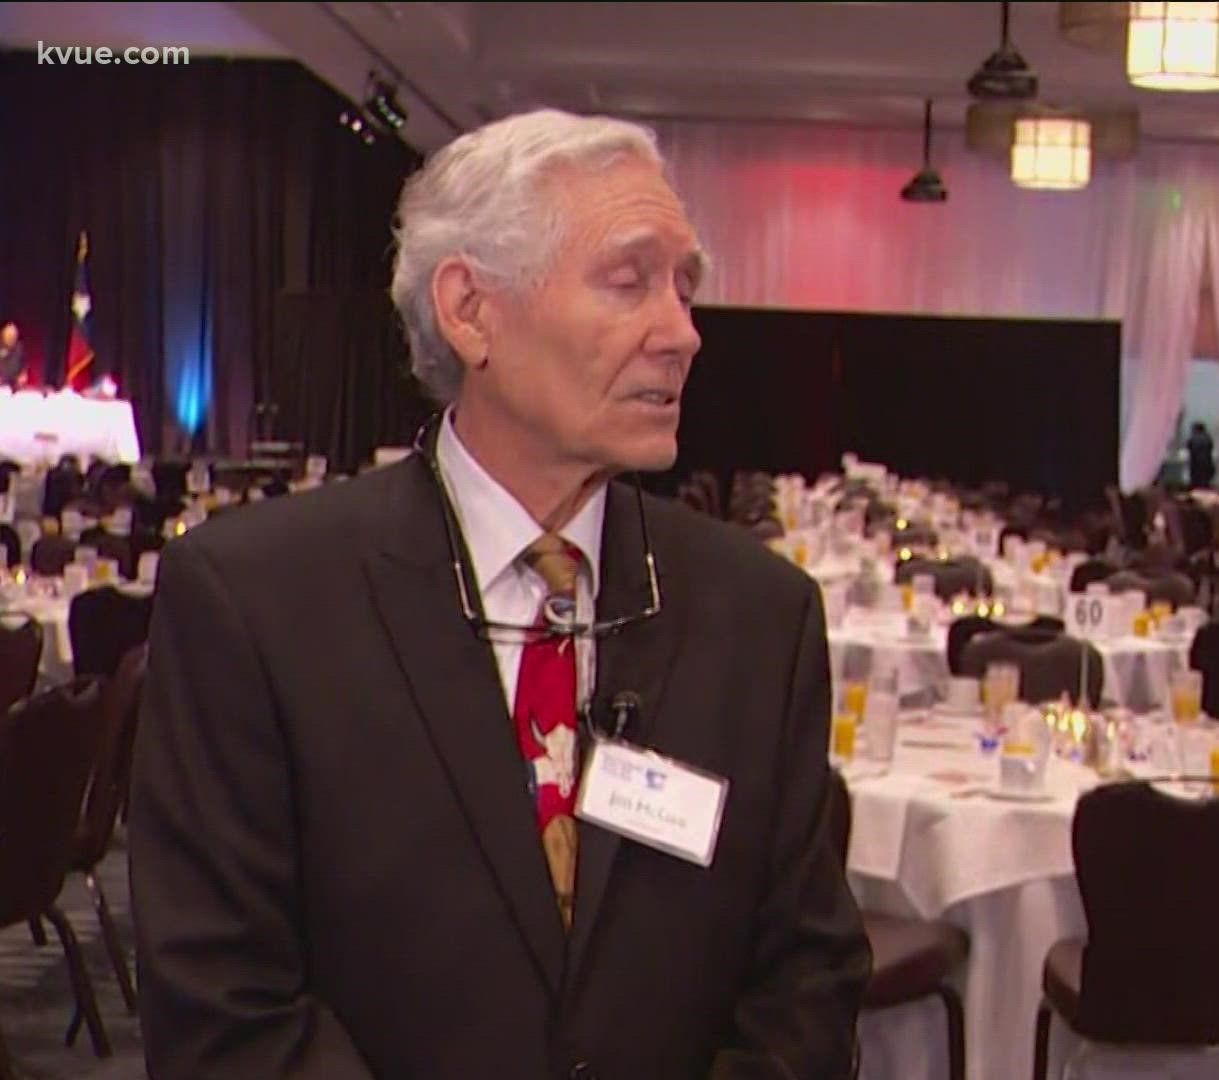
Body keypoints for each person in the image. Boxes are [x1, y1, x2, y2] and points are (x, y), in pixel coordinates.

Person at [132, 109, 870, 1079]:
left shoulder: (762, 617)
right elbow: (220, 1007)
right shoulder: (253, 602)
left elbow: (807, 983)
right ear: (471, 311)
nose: (682, 334)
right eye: (629, 280)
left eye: (685, 289)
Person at [1185, 420, 1216, 490]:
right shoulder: (1208, 438)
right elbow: (1211, 447)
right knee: (1205, 482)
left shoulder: (1193, 438)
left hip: (1195, 463)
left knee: (1196, 482)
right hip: (1207, 463)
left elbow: (1188, 447)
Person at [0, 322, 25, 387]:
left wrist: (22, 374)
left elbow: (23, 363)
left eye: (14, 334)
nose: (12, 335)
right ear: (3, 333)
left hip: (15, 383)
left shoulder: (19, 347)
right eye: (9, 334)